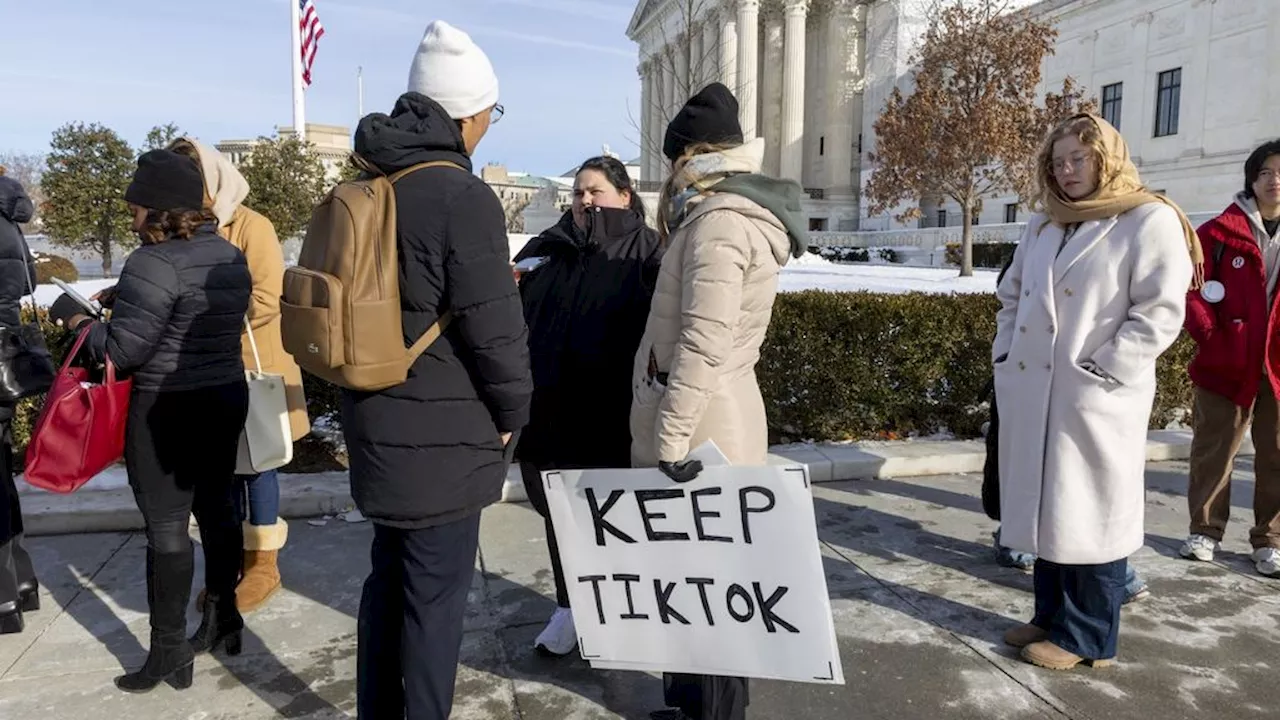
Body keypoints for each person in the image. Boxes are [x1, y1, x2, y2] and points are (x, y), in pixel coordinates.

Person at [342, 20, 531, 719]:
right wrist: (515, 415)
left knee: (385, 587)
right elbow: (496, 331)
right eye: (489, 113)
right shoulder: (459, 196)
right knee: (434, 607)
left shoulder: (369, 183)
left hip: (375, 422)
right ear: (466, 115)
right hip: (444, 439)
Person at [993, 113, 1197, 671]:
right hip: (1037, 389)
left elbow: (1159, 311)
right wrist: (1005, 355)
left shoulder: (1147, 218)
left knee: (1092, 514)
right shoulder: (1044, 223)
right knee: (1047, 509)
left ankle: (1088, 640)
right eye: (1057, 161)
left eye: (1078, 159)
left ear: (1105, 158)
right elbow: (1012, 298)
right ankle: (1050, 616)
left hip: (1096, 395)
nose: (1066, 170)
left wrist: (1106, 369)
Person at [630, 82, 808, 720]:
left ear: (691, 157)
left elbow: (704, 342)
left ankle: (715, 715)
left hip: (705, 428)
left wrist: (671, 440)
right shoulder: (715, 215)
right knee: (689, 581)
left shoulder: (720, 222)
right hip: (704, 415)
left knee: (713, 586)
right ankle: (686, 704)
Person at [53, 150, 252, 692]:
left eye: (136, 206)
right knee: (217, 510)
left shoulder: (151, 262)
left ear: (156, 209)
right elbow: (193, 309)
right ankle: (224, 616)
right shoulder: (228, 254)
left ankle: (168, 652)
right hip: (224, 397)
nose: (131, 216)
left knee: (166, 528)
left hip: (167, 409)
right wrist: (130, 296)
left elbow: (124, 351)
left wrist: (71, 318)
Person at [513, 155, 662, 656]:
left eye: (595, 191)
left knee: (614, 521)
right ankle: (569, 607)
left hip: (609, 416)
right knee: (559, 515)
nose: (584, 200)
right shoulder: (546, 248)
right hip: (547, 414)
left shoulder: (646, 252)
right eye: (578, 192)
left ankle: (622, 608)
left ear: (624, 195)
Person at [166, 136, 310, 612]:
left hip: (254, 367)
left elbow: (268, 298)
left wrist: (202, 317)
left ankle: (263, 563)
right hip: (199, 369)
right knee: (219, 471)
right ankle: (227, 562)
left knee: (258, 465)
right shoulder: (176, 229)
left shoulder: (252, 226)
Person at [1181, 140, 1280, 578]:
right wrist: (1210, 335)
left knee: (1276, 454)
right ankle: (1205, 530)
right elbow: (1187, 286)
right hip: (1227, 363)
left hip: (1277, 367)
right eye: (1266, 173)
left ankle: (1270, 539)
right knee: (1214, 450)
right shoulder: (1219, 233)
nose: (1275, 180)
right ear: (1252, 180)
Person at [0, 168, 39, 635]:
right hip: (6, 357)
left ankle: (5, 594)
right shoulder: (9, 218)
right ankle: (19, 582)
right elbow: (29, 280)